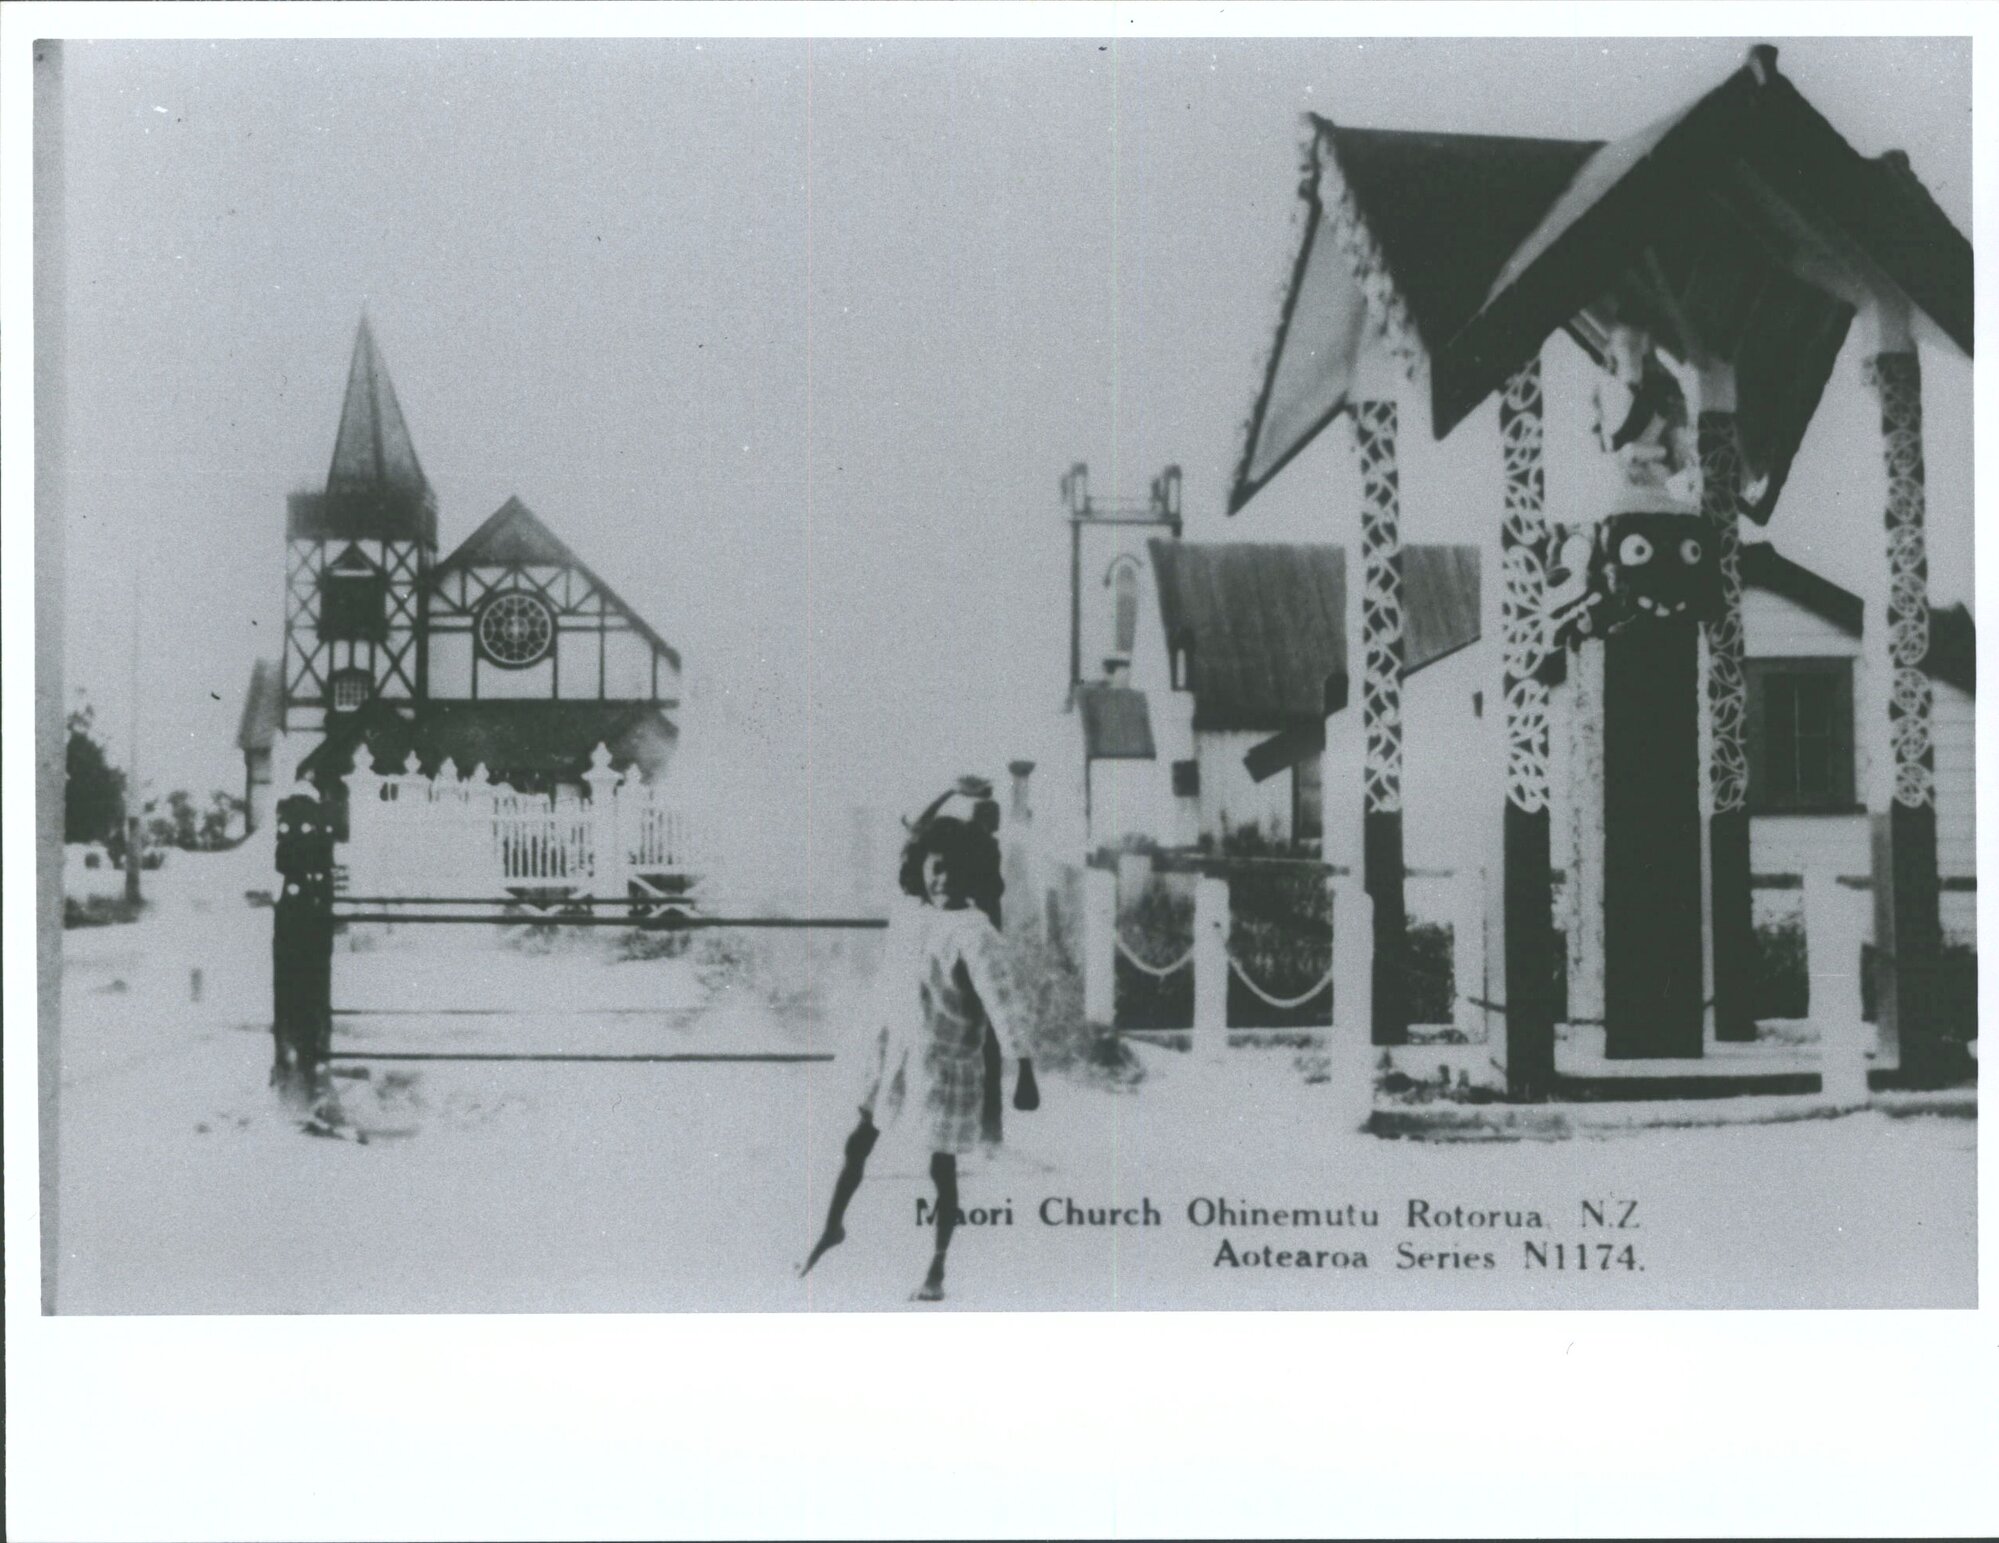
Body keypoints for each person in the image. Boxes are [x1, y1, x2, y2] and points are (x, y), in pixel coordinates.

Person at [799, 777, 1040, 1301]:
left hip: (942, 1062)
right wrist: (949, 791)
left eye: (954, 869)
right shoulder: (911, 914)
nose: (944, 878)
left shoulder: (976, 932)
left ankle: (936, 1268)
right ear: (922, 874)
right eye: (936, 869)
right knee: (859, 1137)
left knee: (941, 1168)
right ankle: (831, 1226)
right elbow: (910, 840)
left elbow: (1005, 1002)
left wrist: (1023, 1066)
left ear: (971, 872)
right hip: (894, 1051)